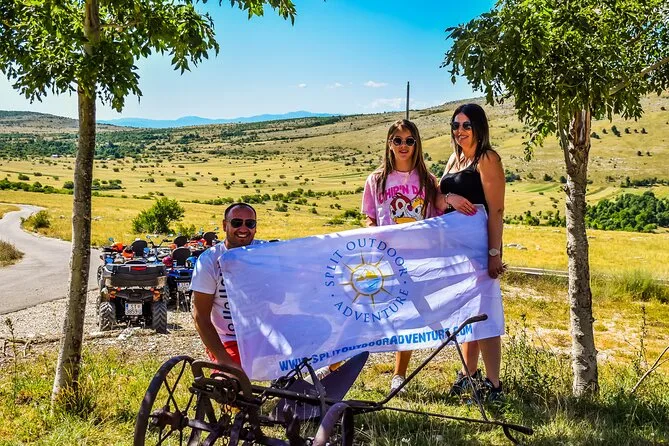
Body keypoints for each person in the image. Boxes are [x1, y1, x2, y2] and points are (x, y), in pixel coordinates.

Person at [361, 119, 447, 393]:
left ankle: (399, 376)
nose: (403, 146)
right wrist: (372, 231)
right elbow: (369, 216)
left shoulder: (429, 181)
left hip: (416, 261)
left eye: (409, 140)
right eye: (397, 140)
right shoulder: (376, 180)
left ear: (417, 144)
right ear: (389, 143)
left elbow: (439, 215)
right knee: (365, 313)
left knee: (407, 316)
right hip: (383, 258)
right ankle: (336, 367)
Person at [440, 103, 506, 402]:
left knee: (485, 314)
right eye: (456, 125)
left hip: (479, 248)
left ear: (479, 127)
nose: (460, 130)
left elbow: (497, 209)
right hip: (455, 251)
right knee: (467, 312)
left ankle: (494, 384)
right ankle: (469, 374)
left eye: (466, 125)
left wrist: (494, 253)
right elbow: (438, 198)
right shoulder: (455, 159)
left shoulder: (487, 158)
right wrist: (450, 198)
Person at [190, 202, 262, 373]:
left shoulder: (267, 252)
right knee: (230, 381)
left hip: (266, 335)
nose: (243, 228)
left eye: (249, 223)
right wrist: (224, 360)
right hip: (229, 339)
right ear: (224, 225)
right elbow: (200, 318)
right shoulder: (209, 261)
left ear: (255, 227)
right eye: (236, 223)